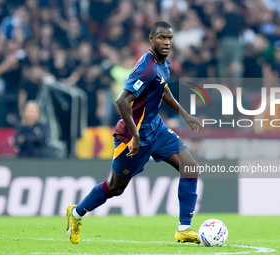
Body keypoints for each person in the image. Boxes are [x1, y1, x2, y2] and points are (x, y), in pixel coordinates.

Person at [66, 21, 202, 244]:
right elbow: (122, 101)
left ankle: (184, 228)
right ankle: (77, 213)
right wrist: (135, 136)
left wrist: (184, 113)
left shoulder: (163, 64)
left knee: (190, 167)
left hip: (156, 129)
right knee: (115, 187)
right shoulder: (146, 67)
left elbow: (163, 88)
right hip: (133, 135)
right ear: (151, 39)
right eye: (161, 38)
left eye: (169, 38)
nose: (166, 42)